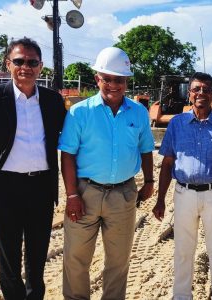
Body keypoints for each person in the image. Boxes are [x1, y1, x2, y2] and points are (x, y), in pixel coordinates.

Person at [0, 37, 66, 299]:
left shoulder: (52, 101)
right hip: (4, 190)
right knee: (9, 261)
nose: (26, 67)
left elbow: (68, 140)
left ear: (41, 66)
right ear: (8, 64)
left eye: (32, 62)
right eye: (19, 61)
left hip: (41, 189)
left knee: (36, 260)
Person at [59, 46, 155, 300]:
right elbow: (67, 154)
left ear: (126, 81)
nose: (113, 85)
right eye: (107, 78)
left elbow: (146, 149)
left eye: (119, 80)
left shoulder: (139, 112)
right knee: (76, 259)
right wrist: (71, 195)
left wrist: (149, 181)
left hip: (123, 194)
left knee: (118, 261)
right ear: (97, 78)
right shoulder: (80, 112)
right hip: (84, 192)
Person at [153, 72, 212, 300]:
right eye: (196, 89)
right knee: (183, 251)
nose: (201, 93)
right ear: (189, 94)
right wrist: (161, 199)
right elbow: (167, 163)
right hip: (184, 195)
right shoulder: (177, 124)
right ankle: (182, 296)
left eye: (206, 89)